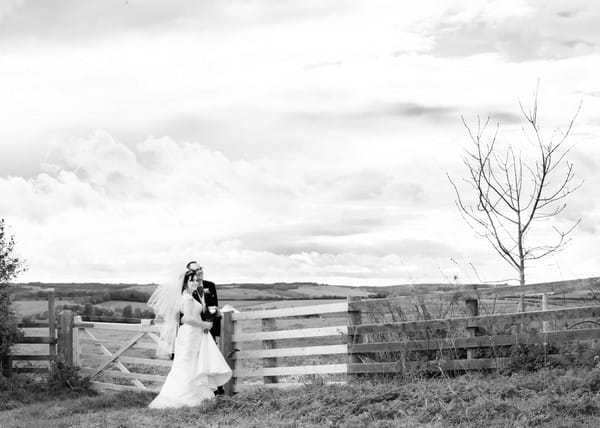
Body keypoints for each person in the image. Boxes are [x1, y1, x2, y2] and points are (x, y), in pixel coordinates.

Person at [147, 265, 232, 408]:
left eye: (195, 280)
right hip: (190, 334)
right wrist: (204, 325)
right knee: (186, 364)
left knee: (192, 364)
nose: (195, 282)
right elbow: (185, 319)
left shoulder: (187, 296)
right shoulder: (187, 298)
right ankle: (181, 397)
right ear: (185, 282)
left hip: (193, 333)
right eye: (191, 280)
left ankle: (195, 395)